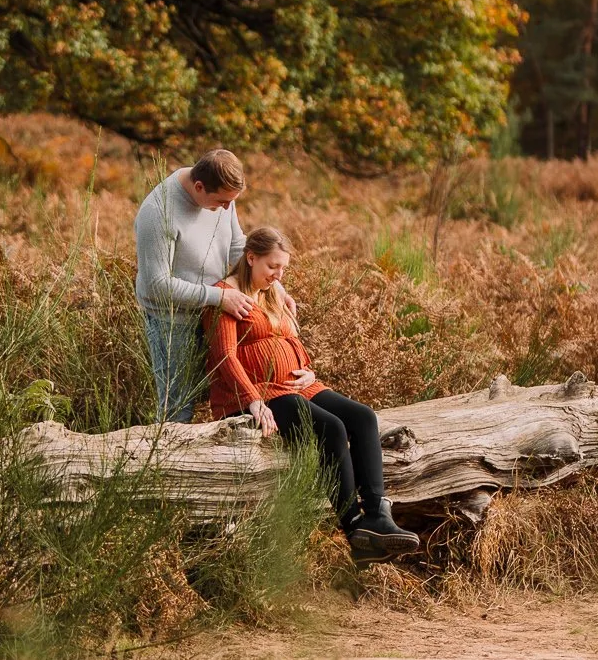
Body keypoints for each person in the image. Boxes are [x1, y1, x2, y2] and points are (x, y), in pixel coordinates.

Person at [205, 225, 419, 560]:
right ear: (251, 258)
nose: (278, 275)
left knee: (363, 418)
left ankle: (378, 514)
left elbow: (289, 337)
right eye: (272, 267)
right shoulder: (227, 296)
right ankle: (355, 530)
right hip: (258, 393)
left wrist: (307, 367)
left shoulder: (272, 292)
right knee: (331, 427)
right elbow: (224, 356)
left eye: (284, 268)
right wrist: (253, 401)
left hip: (296, 386)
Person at [134, 149, 253, 422]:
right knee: (177, 407)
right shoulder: (159, 212)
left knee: (230, 394)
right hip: (172, 322)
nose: (226, 208)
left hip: (214, 311)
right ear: (199, 187)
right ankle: (166, 462)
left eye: (230, 203)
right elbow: (157, 286)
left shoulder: (222, 193)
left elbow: (237, 245)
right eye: (221, 202)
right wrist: (219, 297)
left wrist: (273, 288)